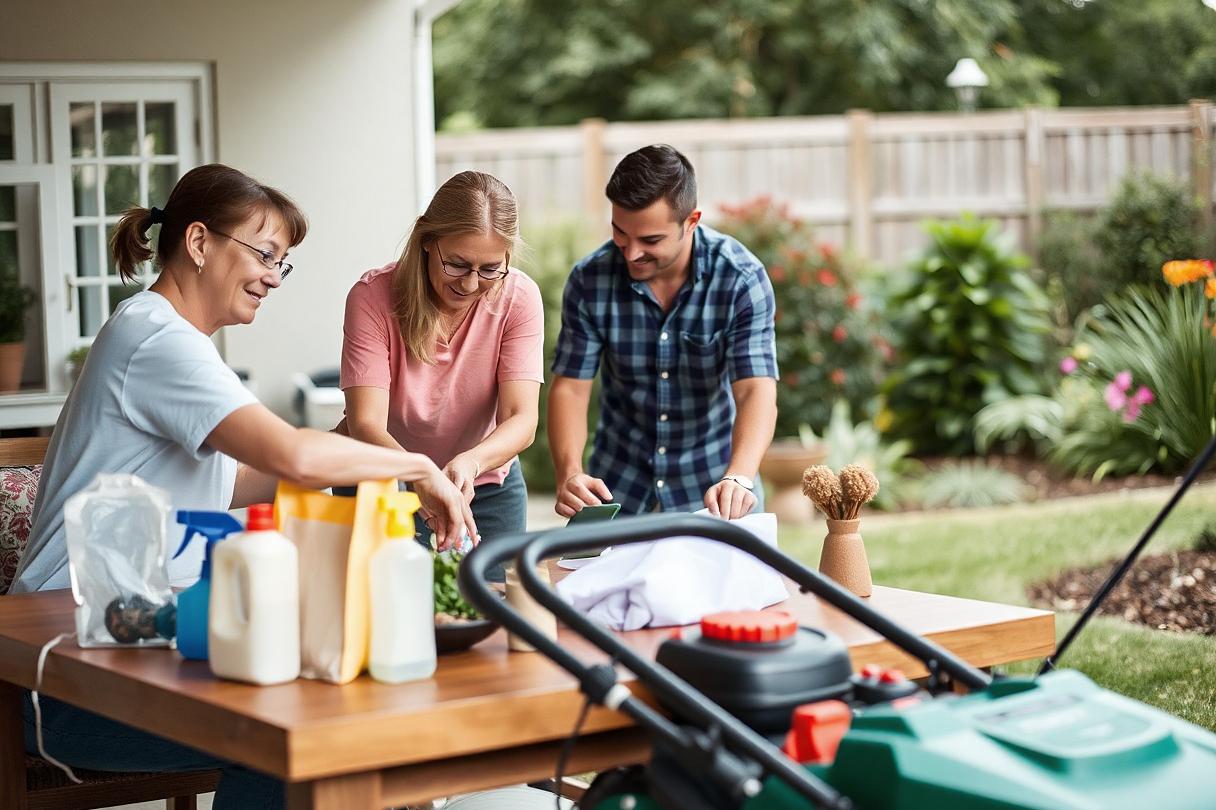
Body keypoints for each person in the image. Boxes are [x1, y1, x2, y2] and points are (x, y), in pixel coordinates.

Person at [11, 163, 476, 809]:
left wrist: (353, 432)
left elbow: (247, 479)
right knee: (297, 740)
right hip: (60, 671)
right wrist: (417, 467)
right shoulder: (155, 338)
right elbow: (291, 454)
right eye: (265, 254)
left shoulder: (172, 339)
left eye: (283, 262)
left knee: (319, 717)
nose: (273, 277)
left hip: (132, 640)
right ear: (199, 243)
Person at [549, 144, 778, 520]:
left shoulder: (740, 279)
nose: (631, 253)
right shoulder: (589, 280)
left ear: (691, 221)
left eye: (650, 240)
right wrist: (570, 472)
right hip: (614, 490)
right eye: (621, 233)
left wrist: (739, 477)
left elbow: (756, 389)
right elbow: (571, 387)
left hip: (716, 490)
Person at [341, 171, 543, 567]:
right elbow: (366, 424)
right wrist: (421, 475)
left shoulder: (519, 298)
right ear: (427, 240)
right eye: (457, 264)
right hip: (381, 482)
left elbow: (522, 419)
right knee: (381, 617)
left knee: (490, 614)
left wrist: (470, 462)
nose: (470, 284)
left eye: (489, 269)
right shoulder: (372, 298)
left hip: (484, 490)